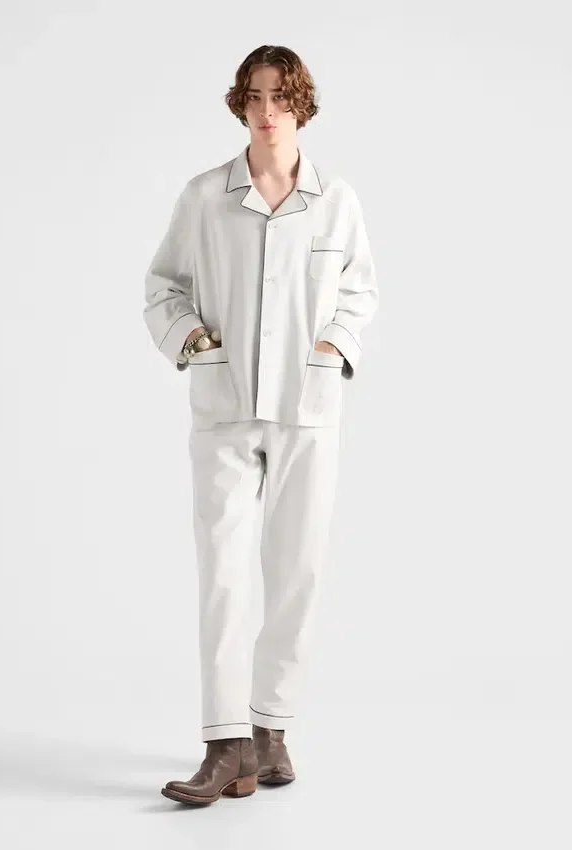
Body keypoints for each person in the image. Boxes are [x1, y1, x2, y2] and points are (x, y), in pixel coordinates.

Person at [143, 44, 378, 806]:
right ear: (240, 103)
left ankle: (271, 729)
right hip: (225, 408)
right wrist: (192, 340)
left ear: (301, 104)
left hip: (308, 409)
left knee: (297, 571)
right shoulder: (205, 196)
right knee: (223, 574)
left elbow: (360, 290)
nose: (267, 110)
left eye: (280, 96)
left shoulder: (335, 200)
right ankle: (225, 744)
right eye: (254, 95)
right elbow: (163, 284)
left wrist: (332, 347)